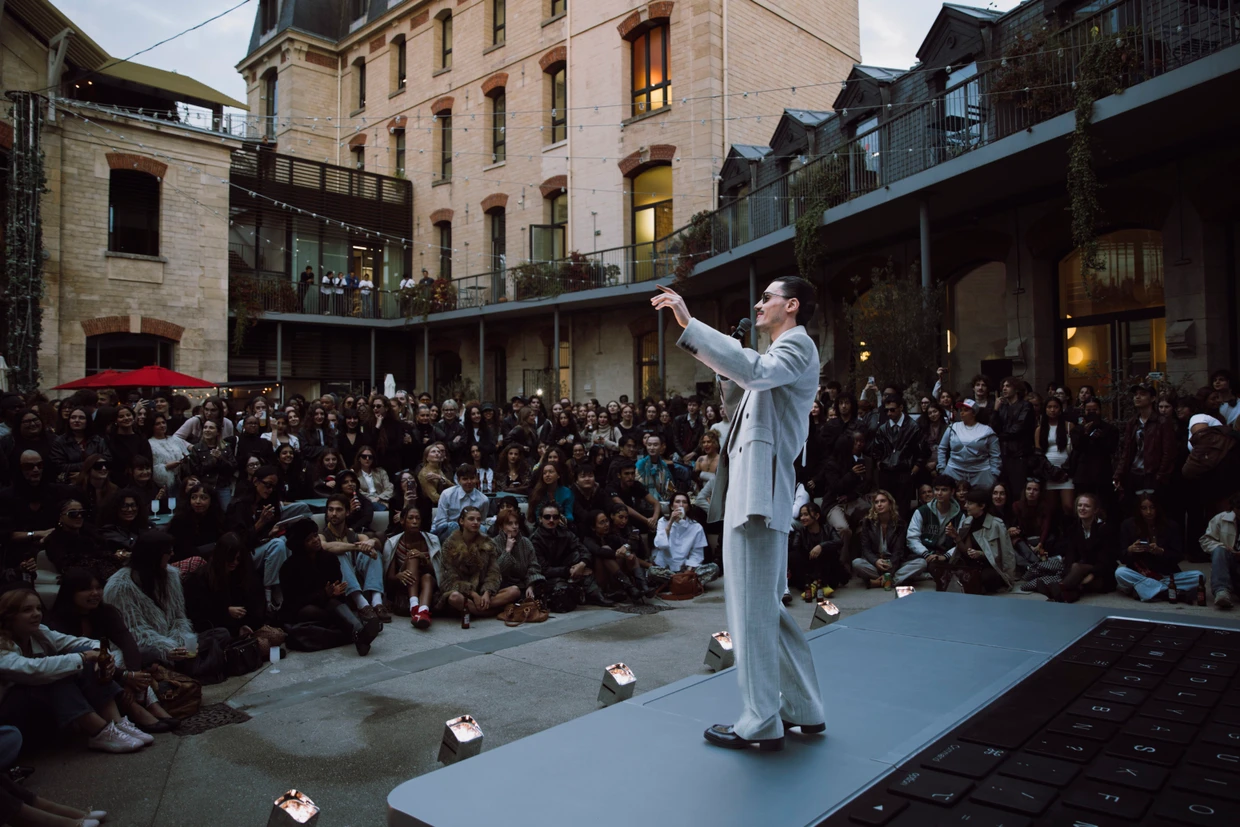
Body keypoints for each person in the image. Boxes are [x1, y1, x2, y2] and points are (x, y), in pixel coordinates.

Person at [653, 277, 824, 752]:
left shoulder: (796, 346)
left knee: (750, 613)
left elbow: (756, 374)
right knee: (764, 608)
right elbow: (745, 392)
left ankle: (761, 719)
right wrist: (725, 358)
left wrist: (691, 324)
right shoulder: (779, 353)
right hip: (753, 491)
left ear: (791, 306)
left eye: (768, 297)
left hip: (758, 496)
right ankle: (803, 708)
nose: (759, 302)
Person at [0, 588, 153, 759]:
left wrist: (102, 656)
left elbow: (78, 643)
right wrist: (83, 657)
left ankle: (115, 722)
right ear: (9, 616)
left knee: (83, 655)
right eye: (27, 610)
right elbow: (30, 669)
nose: (36, 614)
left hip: (38, 708)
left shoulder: (39, 632)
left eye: (38, 608)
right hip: (10, 716)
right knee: (54, 672)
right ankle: (99, 731)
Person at [46, 568, 179, 732]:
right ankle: (138, 711)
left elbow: (128, 643)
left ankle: (152, 706)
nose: (95, 593)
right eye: (86, 589)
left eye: (98, 588)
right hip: (81, 676)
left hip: (110, 672)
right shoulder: (57, 623)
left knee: (126, 655)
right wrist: (125, 677)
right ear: (70, 593)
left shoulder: (105, 612)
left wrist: (131, 677)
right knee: (105, 659)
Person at [103, 531, 228, 683]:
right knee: (146, 653)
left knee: (221, 634)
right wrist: (167, 650)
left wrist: (182, 642)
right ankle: (192, 669)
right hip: (146, 646)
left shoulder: (170, 576)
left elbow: (179, 617)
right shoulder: (119, 587)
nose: (172, 554)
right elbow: (133, 632)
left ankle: (187, 668)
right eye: (168, 551)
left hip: (173, 641)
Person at [278, 518, 382, 655]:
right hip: (303, 610)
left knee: (333, 604)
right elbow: (293, 602)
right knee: (324, 612)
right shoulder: (289, 567)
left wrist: (335, 592)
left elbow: (336, 588)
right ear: (301, 544)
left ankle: (358, 633)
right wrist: (323, 594)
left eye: (315, 535)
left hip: (330, 605)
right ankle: (359, 631)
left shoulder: (329, 559)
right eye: (309, 539)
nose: (316, 540)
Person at [928, 487, 1017, 594]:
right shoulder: (968, 521)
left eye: (970, 503)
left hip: (988, 568)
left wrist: (982, 554)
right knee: (934, 565)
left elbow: (1006, 554)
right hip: (970, 566)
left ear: (982, 506)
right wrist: (956, 537)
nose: (966, 506)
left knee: (987, 578)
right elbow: (966, 551)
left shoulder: (996, 524)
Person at [1115, 494, 1200, 603]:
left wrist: (1161, 551)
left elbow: (1178, 556)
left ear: (1157, 508)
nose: (1149, 512)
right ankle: (1169, 593)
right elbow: (1122, 557)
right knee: (1120, 572)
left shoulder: (1170, 525)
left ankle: (1147, 590)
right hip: (1141, 573)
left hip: (1166, 575)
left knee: (1199, 576)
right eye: (1144, 508)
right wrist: (1131, 550)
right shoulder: (1128, 525)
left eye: (1152, 507)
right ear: (1138, 509)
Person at [319, 493, 389, 622]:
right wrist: (356, 547)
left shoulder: (352, 534)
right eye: (330, 509)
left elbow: (370, 543)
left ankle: (377, 601)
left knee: (373, 554)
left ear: (347, 512)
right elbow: (326, 547)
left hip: (358, 580)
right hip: (336, 587)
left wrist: (371, 543)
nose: (334, 513)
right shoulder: (322, 534)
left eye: (339, 510)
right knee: (339, 553)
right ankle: (362, 605)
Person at [183, 532, 265, 642]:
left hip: (234, 627)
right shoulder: (200, 579)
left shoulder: (238, 575)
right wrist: (225, 611)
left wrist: (243, 626)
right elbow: (199, 614)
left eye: (238, 559)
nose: (235, 563)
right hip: (212, 629)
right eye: (232, 559)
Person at [1037, 492, 1116, 603]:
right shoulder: (1073, 528)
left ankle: (1058, 589)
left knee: (1078, 567)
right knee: (1075, 575)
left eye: (1087, 506)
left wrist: (1092, 574)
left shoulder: (1104, 529)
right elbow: (1070, 555)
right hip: (1079, 574)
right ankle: (1061, 595)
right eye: (1080, 505)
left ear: (1095, 510)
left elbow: (1106, 560)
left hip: (1101, 574)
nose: (1082, 508)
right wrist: (1071, 574)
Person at [530, 503, 613, 607]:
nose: (551, 520)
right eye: (547, 517)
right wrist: (569, 570)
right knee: (562, 592)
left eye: (555, 517)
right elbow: (543, 569)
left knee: (578, 556)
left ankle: (595, 594)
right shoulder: (535, 539)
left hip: (568, 569)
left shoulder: (564, 532)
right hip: (548, 577)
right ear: (540, 519)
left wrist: (582, 564)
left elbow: (583, 549)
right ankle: (583, 593)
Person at [436, 506, 511, 619]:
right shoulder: (450, 545)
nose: (475, 522)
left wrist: (487, 592)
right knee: (454, 598)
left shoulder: (488, 543)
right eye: (471, 519)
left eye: (478, 519)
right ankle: (487, 612)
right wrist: (472, 594)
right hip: (462, 593)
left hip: (482, 591)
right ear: (462, 521)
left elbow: (493, 572)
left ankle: (476, 609)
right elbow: (448, 579)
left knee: (513, 591)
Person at [1113, 382, 1176, 506]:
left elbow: (1168, 452)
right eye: (1136, 394)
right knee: (1134, 508)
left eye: (1142, 394)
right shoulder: (1133, 422)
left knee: (1153, 508)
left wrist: (1160, 475)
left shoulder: (1162, 422)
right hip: (1134, 473)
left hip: (1152, 474)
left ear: (1152, 398)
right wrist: (1119, 474)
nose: (1137, 397)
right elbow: (1127, 450)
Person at [382, 508, 440, 629]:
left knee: (427, 576)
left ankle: (420, 610)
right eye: (410, 518)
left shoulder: (433, 540)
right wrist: (399, 575)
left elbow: (439, 572)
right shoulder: (393, 543)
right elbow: (390, 577)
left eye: (417, 518)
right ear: (402, 521)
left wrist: (424, 559)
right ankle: (417, 608)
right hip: (405, 586)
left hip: (429, 584)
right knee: (413, 556)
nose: (414, 521)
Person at [853, 490, 925, 588]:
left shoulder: (900, 523)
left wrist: (891, 568)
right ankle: (893, 580)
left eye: (883, 501)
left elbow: (899, 551)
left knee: (921, 563)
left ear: (890, 503)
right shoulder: (868, 522)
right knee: (857, 563)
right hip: (877, 563)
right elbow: (866, 549)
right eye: (876, 502)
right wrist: (876, 561)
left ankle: (881, 581)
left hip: (895, 563)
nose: (879, 504)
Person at [45, 498, 123, 583]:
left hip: (109, 575)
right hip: (83, 581)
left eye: (82, 513)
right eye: (73, 513)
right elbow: (68, 567)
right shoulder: (54, 540)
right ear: (60, 517)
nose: (79, 516)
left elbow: (107, 554)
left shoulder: (92, 534)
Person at [651, 492, 717, 582]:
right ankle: (678, 582)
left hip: (686, 568)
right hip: (667, 568)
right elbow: (659, 545)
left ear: (688, 507)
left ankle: (680, 582)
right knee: (652, 572)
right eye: (677, 502)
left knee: (714, 568)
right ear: (671, 506)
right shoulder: (663, 522)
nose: (681, 505)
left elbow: (697, 554)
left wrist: (687, 572)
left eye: (684, 502)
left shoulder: (696, 527)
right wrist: (670, 522)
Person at [788, 502, 845, 601]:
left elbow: (839, 542)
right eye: (801, 515)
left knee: (828, 551)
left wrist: (821, 546)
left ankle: (816, 584)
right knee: (792, 556)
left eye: (806, 514)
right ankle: (818, 584)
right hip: (809, 569)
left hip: (827, 570)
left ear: (817, 515)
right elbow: (796, 549)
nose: (802, 518)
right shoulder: (801, 532)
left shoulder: (828, 529)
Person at [937, 399, 1000, 489]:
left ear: (974, 413)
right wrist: (942, 469)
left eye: (966, 410)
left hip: (980, 473)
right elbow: (942, 448)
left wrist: (994, 473)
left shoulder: (986, 430)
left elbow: (995, 454)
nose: (962, 413)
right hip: (954, 471)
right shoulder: (953, 427)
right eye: (961, 410)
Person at [906, 474, 963, 571]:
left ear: (952, 491)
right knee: (920, 564)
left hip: (945, 555)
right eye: (936, 489)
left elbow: (962, 542)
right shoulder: (922, 511)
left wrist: (945, 556)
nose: (939, 493)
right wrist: (926, 554)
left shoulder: (960, 515)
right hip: (923, 554)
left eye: (944, 490)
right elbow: (912, 538)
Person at [992, 377, 1036, 498]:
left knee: (1018, 490)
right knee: (1005, 490)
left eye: (1008, 386)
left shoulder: (1025, 405)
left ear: (1016, 389)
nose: (1004, 389)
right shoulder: (1003, 407)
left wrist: (1000, 436)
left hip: (1019, 454)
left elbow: (1018, 429)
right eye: (1003, 386)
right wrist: (995, 410)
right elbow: (994, 428)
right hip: (1004, 454)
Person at [1035, 394, 1075, 515]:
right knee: (1050, 509)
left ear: (1060, 409)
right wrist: (1051, 471)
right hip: (1048, 471)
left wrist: (1065, 470)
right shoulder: (1040, 429)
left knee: (1068, 506)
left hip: (1066, 470)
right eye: (1049, 407)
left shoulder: (1069, 426)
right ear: (1045, 409)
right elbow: (1038, 452)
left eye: (1056, 407)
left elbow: (1075, 450)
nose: (1052, 410)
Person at [166, 482, 224, 562]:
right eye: (193, 497)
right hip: (185, 561)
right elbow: (181, 550)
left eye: (203, 498)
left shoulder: (219, 518)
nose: (197, 501)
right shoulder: (180, 519)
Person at [48, 408, 109, 484]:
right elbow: (59, 465)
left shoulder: (98, 441)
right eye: (73, 417)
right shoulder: (60, 441)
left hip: (95, 481)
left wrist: (84, 473)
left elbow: (107, 459)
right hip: (68, 482)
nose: (76, 420)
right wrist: (90, 464)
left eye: (81, 418)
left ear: (88, 421)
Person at [1202, 493, 1240, 609]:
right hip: (1229, 566)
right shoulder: (1221, 519)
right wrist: (1224, 547)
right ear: (1233, 508)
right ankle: (1221, 591)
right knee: (1219, 550)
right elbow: (1205, 541)